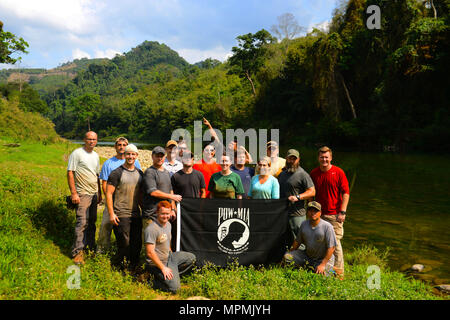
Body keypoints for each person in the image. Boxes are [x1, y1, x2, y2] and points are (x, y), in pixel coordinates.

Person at [310, 146, 350, 276]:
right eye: (322, 157)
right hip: (319, 214)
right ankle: (325, 267)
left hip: (335, 215)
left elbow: (346, 193)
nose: (324, 159)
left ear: (331, 157)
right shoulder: (314, 173)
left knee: (335, 243)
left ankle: (339, 272)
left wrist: (342, 212)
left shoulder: (338, 172)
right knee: (321, 241)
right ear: (318, 158)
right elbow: (312, 194)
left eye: (326, 157)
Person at [97, 137, 142, 253]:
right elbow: (105, 185)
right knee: (105, 227)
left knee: (131, 236)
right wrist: (110, 204)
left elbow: (138, 183)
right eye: (119, 145)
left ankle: (129, 259)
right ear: (115, 146)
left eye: (124, 145)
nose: (121, 147)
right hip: (113, 202)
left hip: (130, 205)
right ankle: (102, 251)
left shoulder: (136, 164)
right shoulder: (109, 164)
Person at [144, 201, 196, 293]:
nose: (165, 216)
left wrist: (171, 254)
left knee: (191, 258)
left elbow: (167, 243)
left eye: (167, 214)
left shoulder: (168, 224)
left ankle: (170, 275)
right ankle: (150, 281)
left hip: (169, 258)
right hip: (156, 264)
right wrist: (163, 268)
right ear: (157, 213)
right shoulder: (151, 229)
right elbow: (150, 253)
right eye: (162, 214)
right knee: (175, 289)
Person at [105, 144, 143, 270]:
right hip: (121, 214)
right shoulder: (116, 173)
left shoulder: (140, 174)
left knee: (136, 244)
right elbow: (109, 194)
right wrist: (111, 214)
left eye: (133, 154)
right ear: (124, 155)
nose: (130, 156)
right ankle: (120, 268)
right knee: (124, 244)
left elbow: (142, 195)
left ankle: (134, 267)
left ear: (137, 156)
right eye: (128, 154)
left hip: (136, 214)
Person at [67, 131, 102, 265]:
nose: (91, 141)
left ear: (96, 141)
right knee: (81, 223)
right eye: (89, 139)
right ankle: (77, 252)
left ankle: (89, 247)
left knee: (92, 222)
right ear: (84, 140)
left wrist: (99, 193)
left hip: (93, 194)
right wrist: (74, 193)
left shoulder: (96, 156)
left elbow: (96, 175)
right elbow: (70, 173)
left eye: (94, 139)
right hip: (82, 193)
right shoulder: (77, 153)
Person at [142, 146, 182, 250]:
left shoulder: (166, 172)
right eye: (157, 156)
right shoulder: (149, 172)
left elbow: (170, 190)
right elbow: (153, 192)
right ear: (152, 157)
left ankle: (165, 264)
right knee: (152, 245)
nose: (159, 158)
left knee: (164, 244)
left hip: (165, 215)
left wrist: (172, 208)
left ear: (165, 157)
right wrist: (171, 196)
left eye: (161, 156)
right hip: (151, 215)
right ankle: (149, 265)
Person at [283, 201, 337, 276]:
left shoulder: (327, 227)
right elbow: (297, 242)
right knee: (287, 257)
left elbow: (332, 248)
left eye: (316, 211)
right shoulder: (304, 224)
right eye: (310, 210)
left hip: (323, 259)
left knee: (322, 276)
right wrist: (290, 252)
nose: (313, 213)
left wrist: (323, 264)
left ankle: (333, 270)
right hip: (308, 256)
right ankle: (310, 267)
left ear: (320, 213)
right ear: (307, 212)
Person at [277, 149, 315, 243]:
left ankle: (301, 257)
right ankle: (287, 257)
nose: (292, 161)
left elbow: (312, 192)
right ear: (286, 159)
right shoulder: (282, 174)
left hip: (297, 214)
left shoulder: (302, 174)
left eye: (294, 159)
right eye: (290, 158)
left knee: (299, 241)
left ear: (298, 160)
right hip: (283, 213)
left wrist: (297, 197)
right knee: (284, 240)